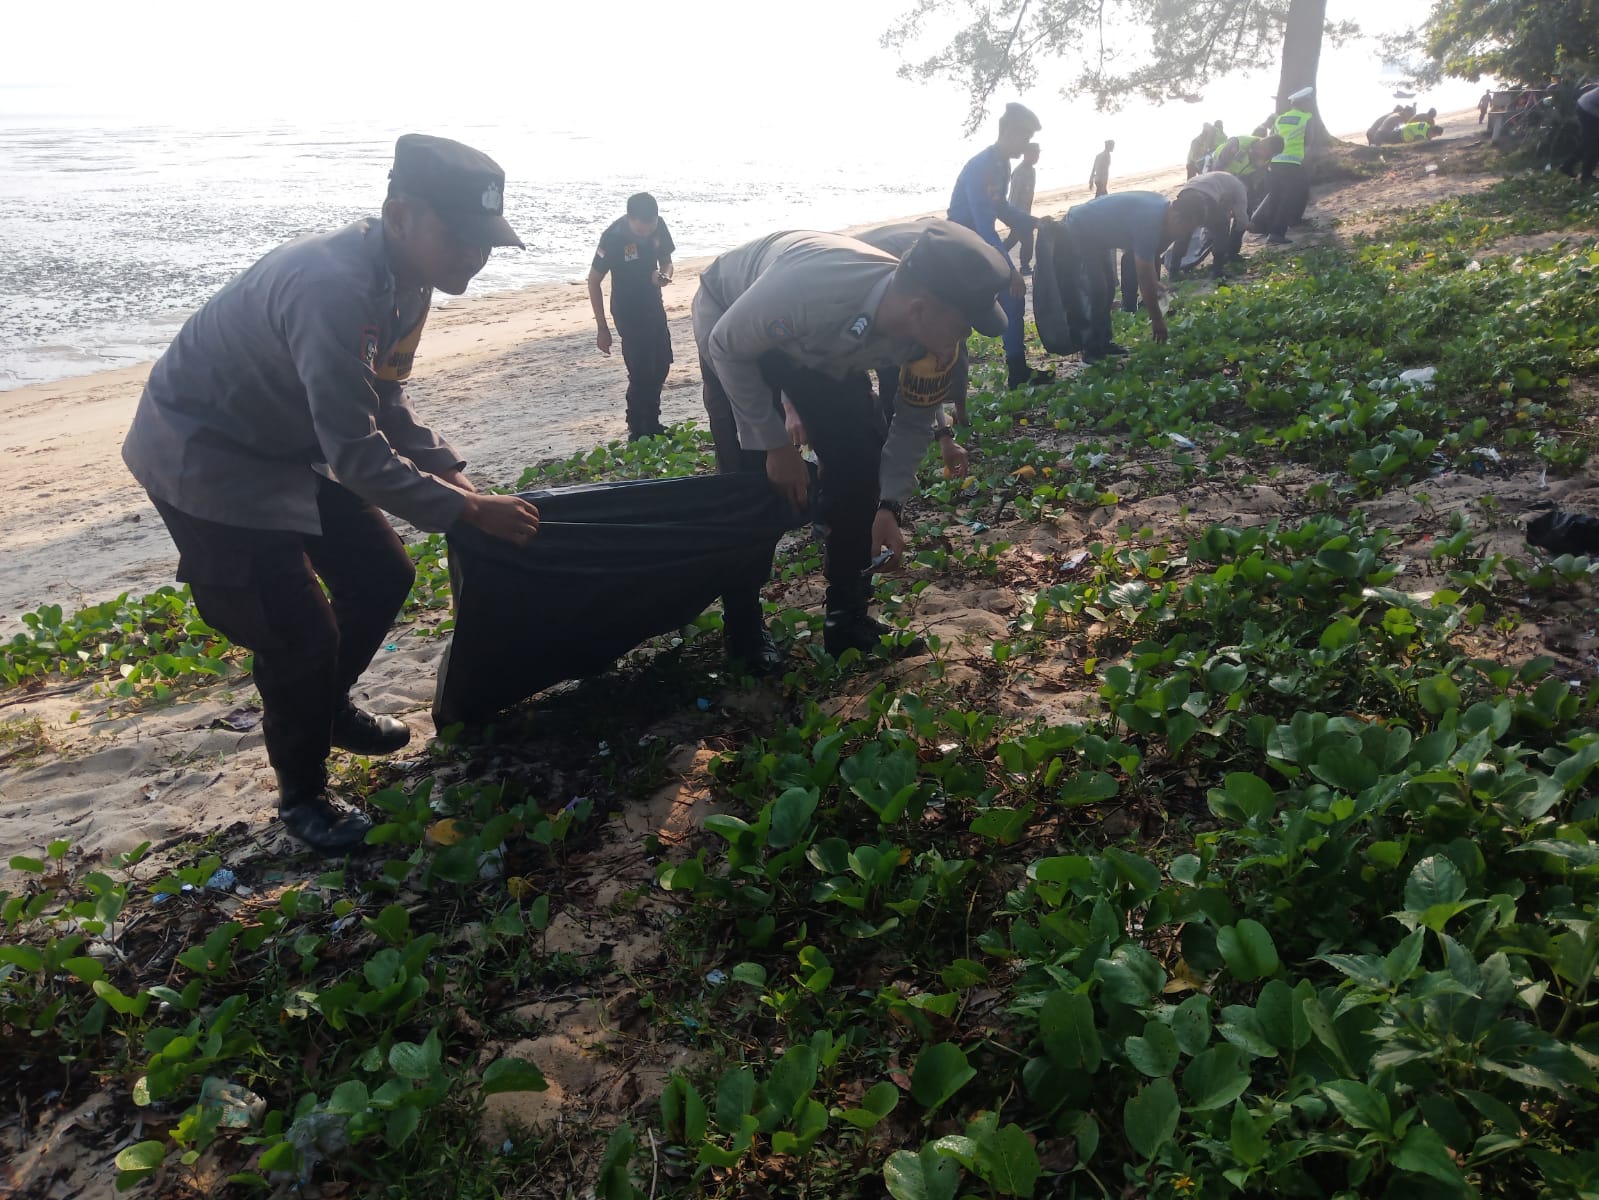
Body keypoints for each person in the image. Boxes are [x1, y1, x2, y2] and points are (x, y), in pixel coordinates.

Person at [120, 134, 542, 854]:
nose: (476, 256)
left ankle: (322, 705)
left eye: (487, 241)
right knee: (297, 632)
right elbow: (355, 454)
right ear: (399, 214)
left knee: (383, 573)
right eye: (462, 237)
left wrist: (454, 476)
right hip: (204, 450)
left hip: (286, 440)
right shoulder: (334, 287)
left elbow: (384, 398)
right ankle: (303, 795)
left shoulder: (408, 282)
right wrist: (467, 511)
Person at [693, 223, 1009, 669]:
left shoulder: (933, 345)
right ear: (920, 310)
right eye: (963, 324)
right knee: (749, 482)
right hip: (733, 314)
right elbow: (726, 345)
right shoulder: (806, 292)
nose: (963, 338)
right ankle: (742, 626)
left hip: (829, 343)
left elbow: (912, 423)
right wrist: (775, 445)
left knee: (861, 458)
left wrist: (890, 505)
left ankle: (847, 619)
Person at [949, 102, 1056, 389]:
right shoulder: (981, 167)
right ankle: (1005, 372)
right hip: (962, 243)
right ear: (1008, 132)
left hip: (979, 241)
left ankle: (1018, 370)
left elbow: (1002, 208)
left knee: (1014, 298)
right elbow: (984, 225)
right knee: (1004, 294)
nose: (1027, 144)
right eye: (1024, 137)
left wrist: (1034, 222)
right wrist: (1011, 270)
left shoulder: (1002, 164)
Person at [1058, 190, 1208, 363]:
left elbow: (1150, 259)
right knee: (1098, 289)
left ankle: (1103, 342)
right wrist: (1157, 320)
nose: (1184, 235)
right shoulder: (1150, 222)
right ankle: (1090, 349)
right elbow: (1143, 275)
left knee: (1107, 288)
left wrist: (1155, 282)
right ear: (1177, 218)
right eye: (1186, 230)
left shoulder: (1163, 211)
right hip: (1080, 226)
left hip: (1100, 235)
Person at [587, 192, 676, 441]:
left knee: (661, 364)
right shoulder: (612, 237)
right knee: (641, 372)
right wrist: (602, 328)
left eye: (651, 227)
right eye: (640, 230)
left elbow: (667, 262)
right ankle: (637, 429)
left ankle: (653, 421)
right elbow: (593, 281)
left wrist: (664, 277)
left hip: (653, 305)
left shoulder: (660, 227)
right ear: (629, 219)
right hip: (627, 310)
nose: (646, 233)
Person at [1258, 87, 1314, 245]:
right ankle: (1277, 233)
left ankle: (1270, 231)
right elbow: (1308, 141)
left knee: (1275, 198)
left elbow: (1270, 139)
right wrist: (1304, 159)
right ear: (1304, 103)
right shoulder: (1306, 118)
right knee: (1288, 199)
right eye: (1309, 102)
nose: (1310, 105)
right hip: (1293, 164)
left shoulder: (1280, 118)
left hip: (1275, 163)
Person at [1176, 171, 1251, 274]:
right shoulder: (1240, 188)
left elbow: (1212, 219)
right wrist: (1246, 226)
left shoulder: (1224, 178)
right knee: (1221, 227)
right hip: (1207, 196)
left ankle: (1173, 271)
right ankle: (1218, 270)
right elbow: (1241, 218)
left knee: (1184, 230)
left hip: (1185, 192)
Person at [1214, 133, 1282, 211]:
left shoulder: (1264, 161)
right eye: (1265, 151)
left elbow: (1252, 186)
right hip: (1215, 167)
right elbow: (1218, 167)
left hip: (1234, 178)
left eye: (1269, 155)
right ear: (1263, 143)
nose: (1264, 156)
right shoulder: (1238, 143)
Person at [1001, 142, 1041, 275]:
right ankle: (1023, 266)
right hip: (1018, 214)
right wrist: (1014, 217)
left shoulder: (1032, 171)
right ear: (1027, 154)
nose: (1037, 156)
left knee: (1015, 239)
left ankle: (998, 255)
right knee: (1026, 239)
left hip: (1025, 213)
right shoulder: (1019, 172)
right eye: (1034, 154)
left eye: (1038, 154)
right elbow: (1013, 197)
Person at [1561, 83, 1599, 182]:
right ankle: (1586, 176)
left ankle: (1567, 166)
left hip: (1586, 106)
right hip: (1588, 109)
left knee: (1587, 142)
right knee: (1594, 143)